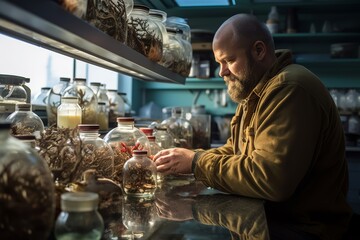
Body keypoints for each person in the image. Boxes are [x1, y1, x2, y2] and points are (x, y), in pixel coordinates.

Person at [153, 13, 353, 239]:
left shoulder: (290, 89)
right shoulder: (255, 93)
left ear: (259, 51)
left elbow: (270, 178)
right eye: (219, 63)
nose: (222, 72)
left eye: (228, 61)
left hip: (304, 230)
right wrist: (188, 159)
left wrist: (196, 164)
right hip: (277, 221)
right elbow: (234, 150)